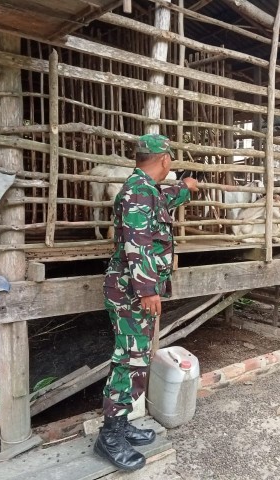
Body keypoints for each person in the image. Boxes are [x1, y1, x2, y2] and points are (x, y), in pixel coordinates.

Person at [95, 134, 198, 471]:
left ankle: (121, 422)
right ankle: (109, 436)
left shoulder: (146, 189)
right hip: (130, 291)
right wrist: (147, 290)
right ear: (165, 160)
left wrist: (187, 187)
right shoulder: (138, 191)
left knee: (136, 356)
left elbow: (167, 198)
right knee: (128, 359)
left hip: (132, 289)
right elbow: (136, 245)